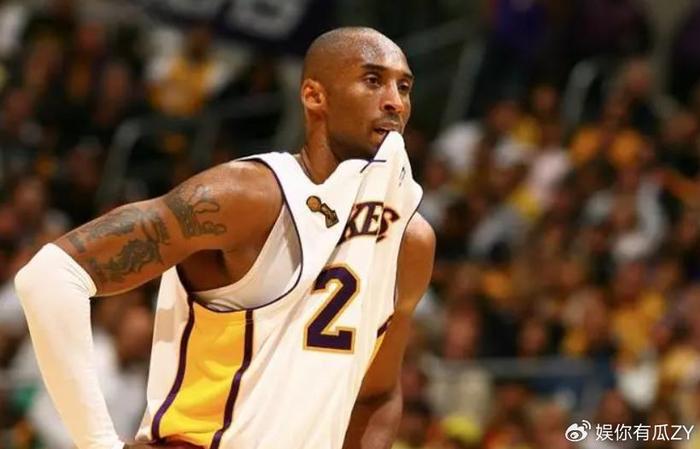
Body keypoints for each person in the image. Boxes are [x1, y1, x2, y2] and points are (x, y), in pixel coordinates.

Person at [13, 26, 435, 449]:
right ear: (313, 96)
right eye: (373, 80)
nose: (395, 102)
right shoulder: (248, 196)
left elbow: (376, 396)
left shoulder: (410, 241)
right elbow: (51, 276)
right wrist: (98, 443)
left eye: (404, 87)